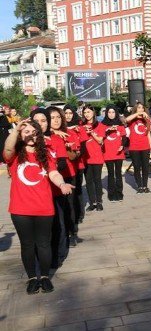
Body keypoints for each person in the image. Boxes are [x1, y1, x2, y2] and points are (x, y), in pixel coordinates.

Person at [3, 119, 75, 294]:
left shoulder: (46, 154)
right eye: (25, 131)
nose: (30, 135)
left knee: (44, 244)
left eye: (33, 132)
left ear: (39, 135)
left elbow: (54, 172)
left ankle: (44, 277)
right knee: (27, 245)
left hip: (44, 207)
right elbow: (6, 150)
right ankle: (31, 278)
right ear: (20, 134)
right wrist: (16, 131)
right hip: (20, 209)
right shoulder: (14, 155)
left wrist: (61, 184)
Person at [32, 108, 70, 269]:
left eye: (44, 121)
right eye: (37, 121)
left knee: (58, 225)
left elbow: (61, 163)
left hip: (55, 191)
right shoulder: (26, 141)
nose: (41, 124)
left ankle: (57, 256)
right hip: (34, 194)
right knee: (38, 230)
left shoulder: (56, 140)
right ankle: (40, 258)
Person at [49, 107, 81, 247]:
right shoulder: (41, 136)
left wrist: (67, 148)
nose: (56, 120)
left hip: (68, 175)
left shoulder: (69, 133)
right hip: (49, 179)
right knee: (54, 209)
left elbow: (74, 156)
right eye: (52, 117)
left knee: (69, 206)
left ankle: (72, 233)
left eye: (58, 117)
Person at [79, 105, 105, 210]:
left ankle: (99, 202)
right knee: (88, 181)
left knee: (97, 180)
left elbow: (100, 140)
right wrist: (82, 130)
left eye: (88, 112)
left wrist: (92, 133)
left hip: (97, 156)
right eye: (85, 112)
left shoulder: (100, 125)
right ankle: (92, 202)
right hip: (85, 157)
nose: (87, 114)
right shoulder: (81, 125)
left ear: (93, 113)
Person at [63, 105, 85, 226]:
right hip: (64, 165)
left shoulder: (79, 127)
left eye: (70, 113)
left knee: (77, 190)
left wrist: (76, 155)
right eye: (66, 113)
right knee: (67, 192)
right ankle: (70, 215)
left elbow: (84, 146)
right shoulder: (60, 128)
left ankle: (79, 213)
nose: (68, 115)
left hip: (78, 163)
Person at [125, 103, 151, 193]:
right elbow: (126, 119)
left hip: (145, 146)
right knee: (136, 167)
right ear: (135, 109)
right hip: (134, 147)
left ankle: (145, 186)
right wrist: (137, 114)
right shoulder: (132, 119)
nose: (141, 109)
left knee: (145, 167)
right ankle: (139, 186)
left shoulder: (146, 119)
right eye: (139, 108)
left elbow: (148, 132)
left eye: (142, 108)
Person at [100, 105, 126, 201]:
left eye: (113, 112)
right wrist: (107, 130)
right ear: (106, 113)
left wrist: (122, 145)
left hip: (119, 153)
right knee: (111, 173)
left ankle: (119, 193)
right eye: (109, 112)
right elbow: (100, 137)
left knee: (118, 173)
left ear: (116, 113)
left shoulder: (120, 124)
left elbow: (124, 137)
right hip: (108, 153)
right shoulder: (103, 124)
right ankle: (111, 194)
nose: (111, 114)